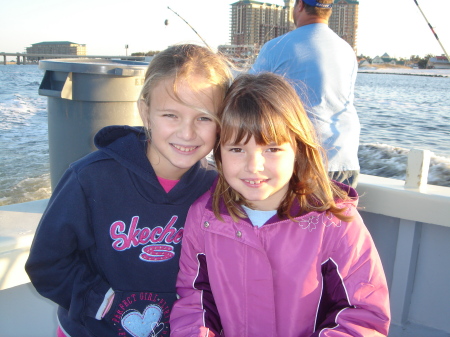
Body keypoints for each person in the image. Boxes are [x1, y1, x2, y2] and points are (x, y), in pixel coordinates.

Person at [25, 44, 233, 337]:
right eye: (171, 115)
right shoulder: (90, 178)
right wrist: (102, 302)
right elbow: (47, 263)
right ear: (144, 110)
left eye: (204, 117)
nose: (187, 133)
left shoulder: (217, 191)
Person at [170, 73, 390, 337]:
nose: (254, 166)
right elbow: (195, 303)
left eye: (271, 149)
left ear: (297, 149)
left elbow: (362, 316)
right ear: (218, 153)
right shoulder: (203, 218)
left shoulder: (336, 224)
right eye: (237, 150)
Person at [249, 0, 361, 188]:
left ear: (300, 5)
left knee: (299, 218)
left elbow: (245, 95)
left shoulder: (277, 46)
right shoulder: (347, 50)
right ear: (329, 9)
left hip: (303, 160)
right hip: (345, 159)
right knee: (337, 217)